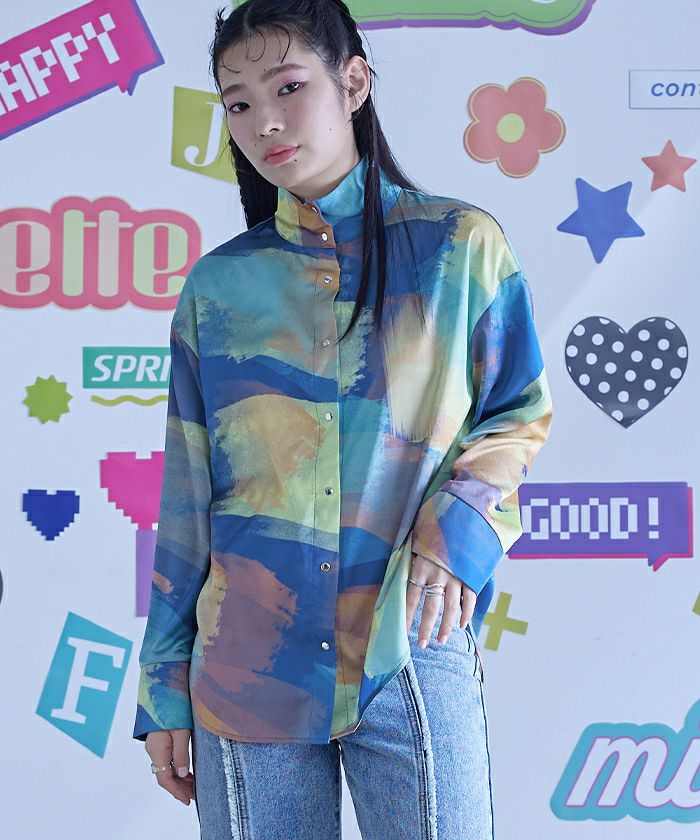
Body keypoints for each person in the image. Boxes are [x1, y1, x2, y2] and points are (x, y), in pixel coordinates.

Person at [133, 1, 554, 837]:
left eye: (288, 87)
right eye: (239, 102)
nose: (264, 121)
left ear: (353, 82)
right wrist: (163, 686)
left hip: (409, 639)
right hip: (245, 667)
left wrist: (454, 537)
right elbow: (187, 498)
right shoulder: (220, 287)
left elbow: (517, 413)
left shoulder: (459, 247)